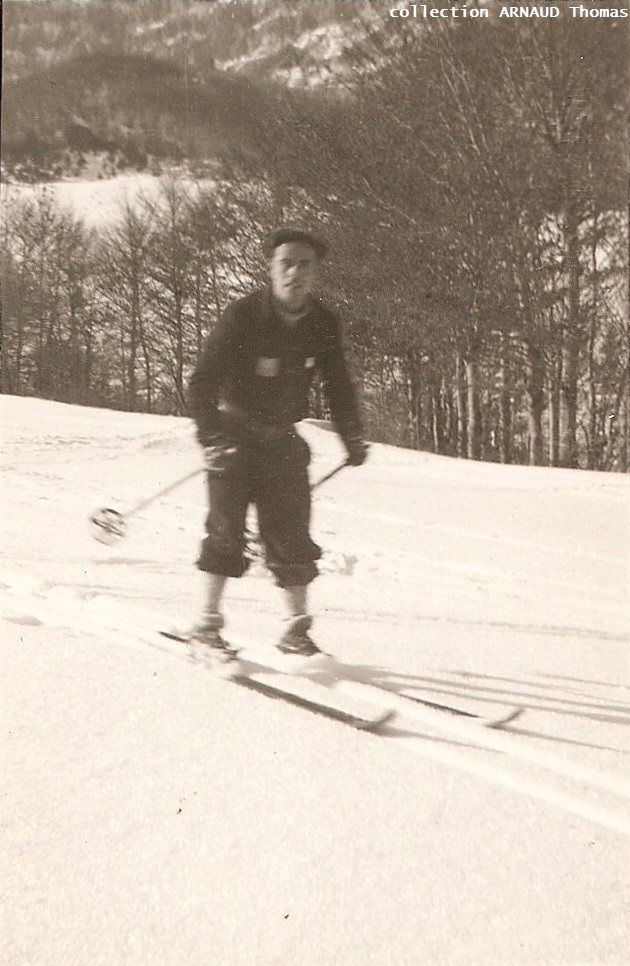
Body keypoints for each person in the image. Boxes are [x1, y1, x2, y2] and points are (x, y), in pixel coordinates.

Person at [187, 225, 368, 663]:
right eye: (286, 263)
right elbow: (201, 382)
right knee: (227, 532)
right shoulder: (243, 316)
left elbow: (337, 383)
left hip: (282, 441)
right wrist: (211, 436)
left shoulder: (322, 322)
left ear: (316, 272)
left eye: (305, 264)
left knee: (290, 536)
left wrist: (351, 433)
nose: (295, 272)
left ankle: (295, 632)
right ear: (271, 268)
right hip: (233, 437)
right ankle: (206, 626)